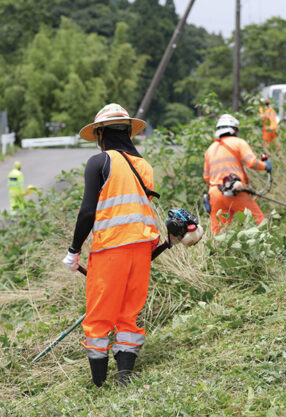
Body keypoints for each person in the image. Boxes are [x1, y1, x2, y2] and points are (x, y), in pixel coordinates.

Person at [62, 103, 160, 387]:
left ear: (101, 134)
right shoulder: (144, 166)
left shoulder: (100, 162)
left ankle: (98, 383)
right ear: (128, 132)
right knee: (129, 311)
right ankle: (124, 377)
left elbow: (87, 213)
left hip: (110, 248)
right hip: (141, 248)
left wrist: (73, 250)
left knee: (99, 314)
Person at [203, 114, 272, 234]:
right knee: (258, 224)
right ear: (234, 129)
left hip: (215, 193)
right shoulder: (239, 142)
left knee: (219, 233)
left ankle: (217, 252)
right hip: (235, 190)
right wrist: (266, 165)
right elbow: (251, 162)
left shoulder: (210, 149)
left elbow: (206, 177)